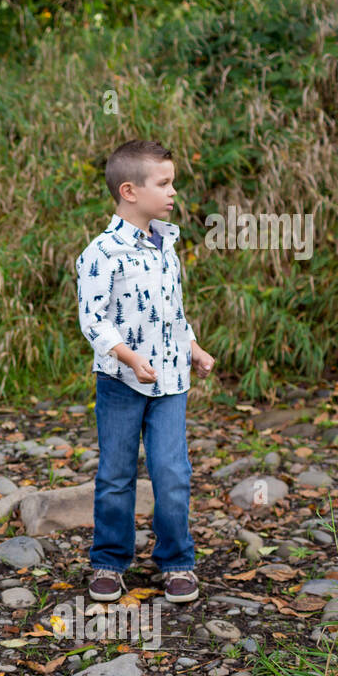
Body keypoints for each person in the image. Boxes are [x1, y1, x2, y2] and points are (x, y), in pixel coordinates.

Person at [75, 139, 215, 605]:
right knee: (116, 473)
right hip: (120, 382)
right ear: (130, 191)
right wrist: (128, 356)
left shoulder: (166, 245)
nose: (174, 192)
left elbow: (172, 312)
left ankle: (176, 560)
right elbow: (93, 318)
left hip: (171, 380)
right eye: (165, 183)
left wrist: (192, 346)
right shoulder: (102, 252)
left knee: (172, 472)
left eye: (172, 182)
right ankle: (110, 561)